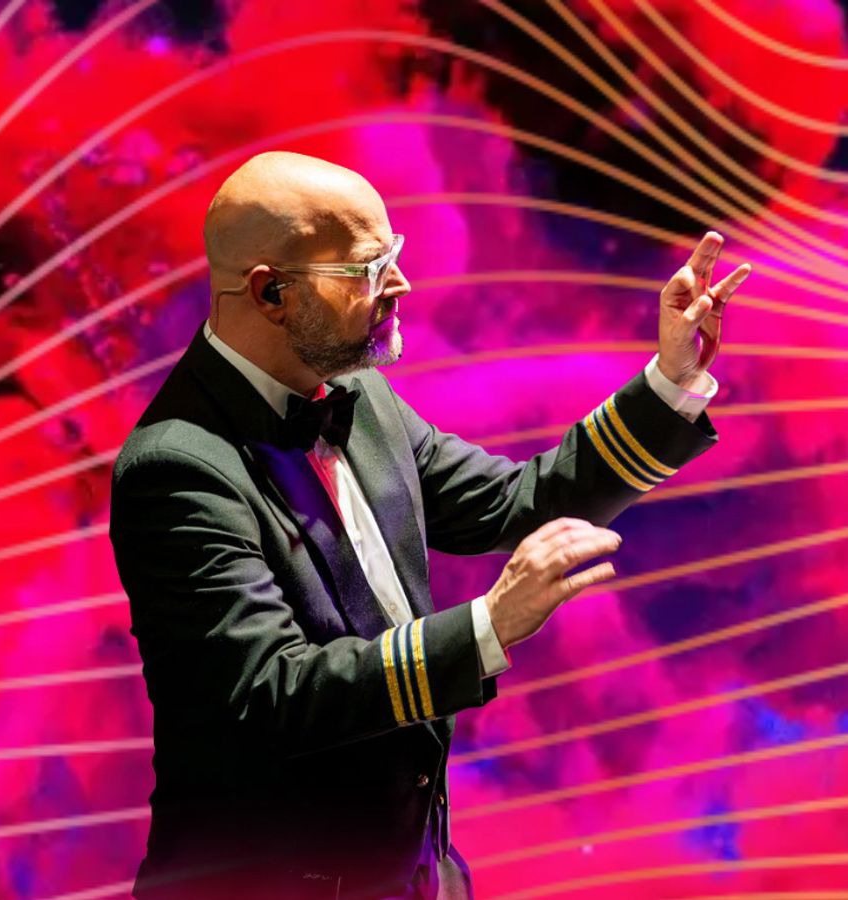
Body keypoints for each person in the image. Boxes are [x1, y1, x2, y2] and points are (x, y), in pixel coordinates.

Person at [109, 151, 751, 899]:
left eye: (396, 255)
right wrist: (486, 627)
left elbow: (516, 502)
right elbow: (271, 695)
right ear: (271, 292)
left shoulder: (361, 397)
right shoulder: (177, 467)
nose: (400, 284)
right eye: (368, 268)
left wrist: (671, 381)